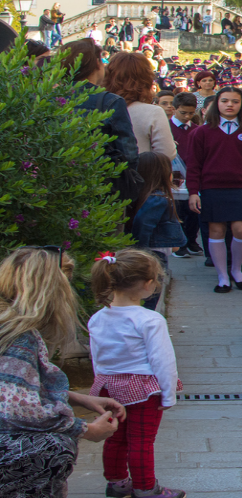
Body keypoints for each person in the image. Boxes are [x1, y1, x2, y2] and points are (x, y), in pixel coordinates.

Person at [0, 248, 123, 498]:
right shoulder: (21, 337)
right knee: (54, 446)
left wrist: (79, 398)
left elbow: (12, 387)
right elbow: (18, 408)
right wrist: (86, 430)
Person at [87, 248, 186, 498]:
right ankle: (145, 489)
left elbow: (96, 357)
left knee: (115, 438)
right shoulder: (150, 320)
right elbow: (162, 360)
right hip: (143, 388)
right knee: (142, 440)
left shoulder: (97, 318)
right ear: (147, 284)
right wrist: (168, 394)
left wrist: (100, 386)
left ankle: (117, 485)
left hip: (108, 385)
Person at [186, 86, 242, 293]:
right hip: (212, 188)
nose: (229, 105)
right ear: (217, 103)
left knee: (241, 229)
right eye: (224, 101)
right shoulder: (202, 132)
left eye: (235, 101)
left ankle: (237, 270)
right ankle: (222, 275)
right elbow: (194, 164)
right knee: (216, 230)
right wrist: (193, 192)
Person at [57, 40, 141, 203]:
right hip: (101, 189)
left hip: (57, 186)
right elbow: (128, 153)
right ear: (97, 63)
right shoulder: (110, 102)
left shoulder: (46, 98)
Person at [130, 153, 187, 309]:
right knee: (149, 299)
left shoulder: (143, 196)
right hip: (152, 255)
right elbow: (143, 224)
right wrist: (139, 254)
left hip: (149, 253)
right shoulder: (157, 198)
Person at [108, 52, 177, 160]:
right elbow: (167, 153)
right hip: (139, 174)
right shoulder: (153, 112)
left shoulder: (98, 106)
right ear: (146, 78)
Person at [170, 92, 204, 258]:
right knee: (177, 210)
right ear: (175, 109)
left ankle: (191, 240)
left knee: (193, 210)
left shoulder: (196, 130)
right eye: (183, 113)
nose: (187, 116)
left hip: (191, 172)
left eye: (191, 113)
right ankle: (179, 242)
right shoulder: (167, 128)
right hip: (173, 174)